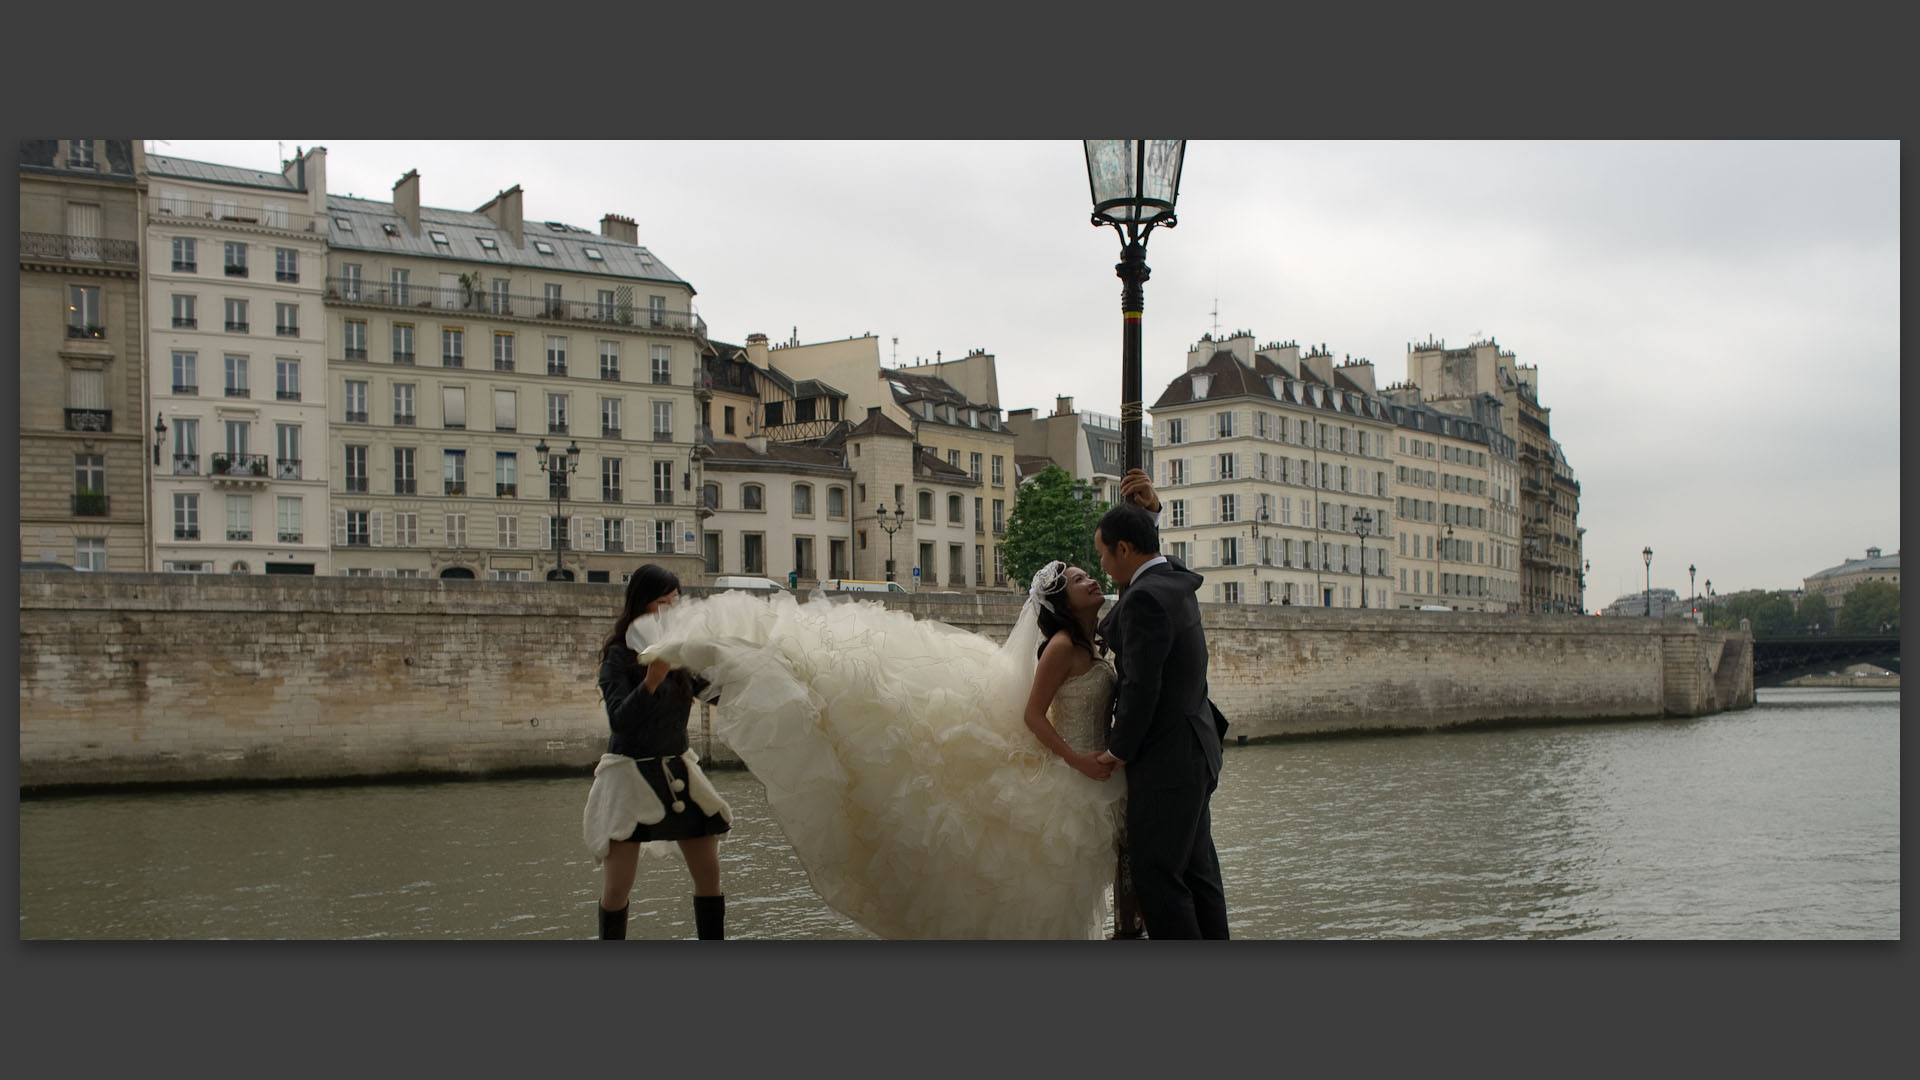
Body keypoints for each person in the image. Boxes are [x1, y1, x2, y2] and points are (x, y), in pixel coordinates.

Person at [626, 561, 1128, 939]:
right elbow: (1033, 716)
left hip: (1092, 781)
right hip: (1076, 775)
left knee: (1071, 891)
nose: (1090, 580)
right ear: (1062, 602)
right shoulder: (1062, 646)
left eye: (1090, 574)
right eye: (1080, 578)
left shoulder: (1097, 642)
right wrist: (1078, 759)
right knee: (1055, 891)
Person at [1093, 499, 1231, 940]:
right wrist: (1149, 515)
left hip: (1167, 761)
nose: (1101, 563)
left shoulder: (1146, 599)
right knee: (1197, 871)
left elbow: (1141, 687)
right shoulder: (1174, 579)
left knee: (1158, 878)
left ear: (1125, 549)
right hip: (1198, 750)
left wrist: (1118, 749)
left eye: (1103, 553)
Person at [581, 564, 733, 940]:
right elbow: (620, 720)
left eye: (673, 603)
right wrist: (652, 680)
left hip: (679, 772)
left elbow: (713, 693)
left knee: (709, 874)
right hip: (630, 775)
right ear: (640, 605)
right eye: (660, 603)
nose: (668, 611)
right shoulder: (619, 655)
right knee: (617, 888)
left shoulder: (681, 653)